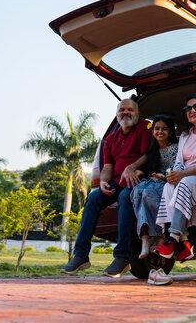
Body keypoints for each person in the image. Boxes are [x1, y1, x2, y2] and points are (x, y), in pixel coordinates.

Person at [60, 99, 151, 278]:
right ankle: (81, 255)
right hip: (116, 181)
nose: (126, 112)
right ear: (117, 114)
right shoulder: (110, 139)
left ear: (137, 113)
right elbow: (108, 166)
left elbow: (148, 155)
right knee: (93, 199)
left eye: (130, 109)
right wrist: (103, 182)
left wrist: (131, 167)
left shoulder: (144, 127)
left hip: (138, 180)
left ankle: (122, 257)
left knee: (126, 197)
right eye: (122, 110)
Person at [155, 95, 196, 262]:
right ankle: (184, 242)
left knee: (183, 182)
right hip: (186, 178)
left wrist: (184, 175)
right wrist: (174, 174)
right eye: (188, 109)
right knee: (169, 187)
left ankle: (173, 236)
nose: (192, 111)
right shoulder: (184, 135)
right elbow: (178, 163)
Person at [130, 115, 178, 259]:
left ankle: (159, 233)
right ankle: (145, 238)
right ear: (152, 132)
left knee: (148, 194)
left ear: (170, 132)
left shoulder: (175, 149)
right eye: (157, 129)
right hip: (155, 179)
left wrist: (164, 176)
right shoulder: (153, 149)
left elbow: (176, 168)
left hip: (169, 180)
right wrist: (141, 171)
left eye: (164, 129)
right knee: (137, 191)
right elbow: (150, 167)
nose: (160, 132)